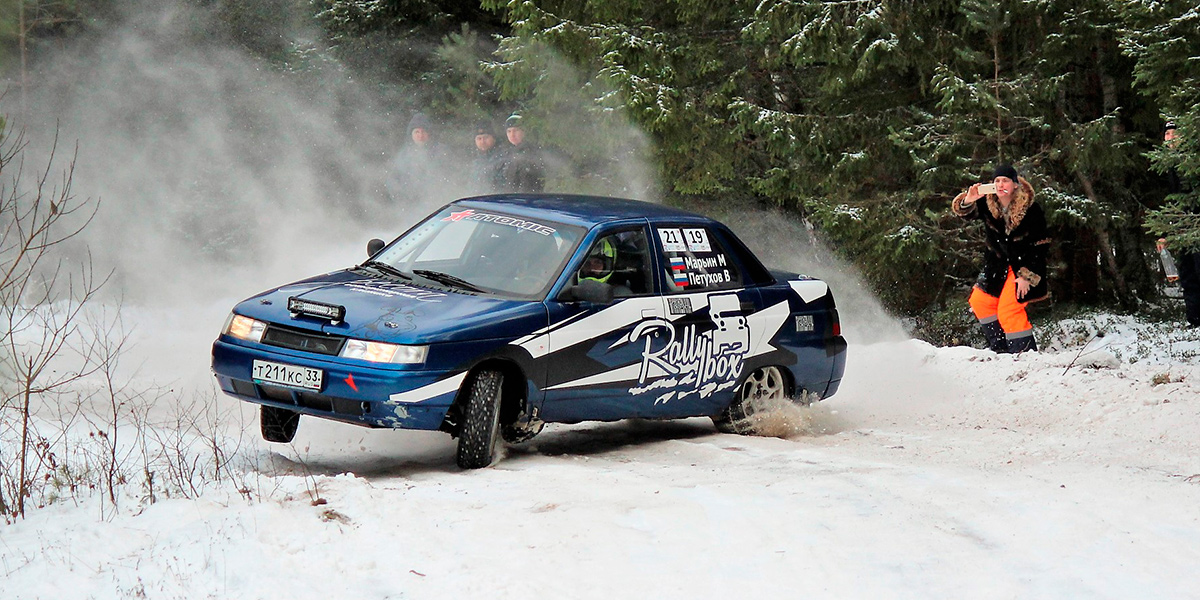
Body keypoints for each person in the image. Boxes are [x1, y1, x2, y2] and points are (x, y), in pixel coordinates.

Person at [952, 164, 1051, 353]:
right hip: (996, 267)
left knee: (1009, 311)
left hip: (1025, 267)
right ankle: (1001, 350)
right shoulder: (988, 203)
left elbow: (1041, 245)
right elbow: (964, 212)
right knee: (980, 302)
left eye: (1005, 180)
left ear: (1015, 184)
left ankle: (1024, 355)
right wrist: (969, 199)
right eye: (997, 181)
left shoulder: (1032, 209)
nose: (1000, 185)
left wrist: (1026, 276)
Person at [1160, 121, 1200, 327]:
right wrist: (1166, 232)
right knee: (1187, 273)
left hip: (1196, 225)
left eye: (1175, 133)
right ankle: (1194, 319)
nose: (1171, 137)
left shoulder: (1191, 162)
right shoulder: (1168, 166)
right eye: (1167, 134)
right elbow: (1171, 201)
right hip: (1182, 227)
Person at [386, 112, 446, 205]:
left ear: (429, 133)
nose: (420, 136)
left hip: (434, 205)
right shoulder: (403, 154)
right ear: (411, 134)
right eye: (417, 132)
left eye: (423, 132)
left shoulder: (441, 151)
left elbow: (447, 178)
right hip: (408, 206)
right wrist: (401, 200)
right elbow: (393, 180)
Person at [500, 113, 546, 193]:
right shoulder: (506, 152)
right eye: (509, 131)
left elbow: (528, 182)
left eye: (516, 130)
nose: (512, 135)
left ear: (525, 131)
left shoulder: (533, 151)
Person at [469, 120, 504, 194]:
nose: (482, 142)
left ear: (494, 138)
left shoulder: (503, 159)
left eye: (486, 137)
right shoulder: (475, 162)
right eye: (479, 138)